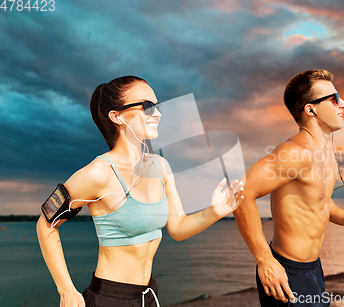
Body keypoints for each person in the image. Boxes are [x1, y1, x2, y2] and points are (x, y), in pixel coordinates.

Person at [36, 76, 244, 307]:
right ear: (116, 116)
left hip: (148, 295)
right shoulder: (98, 173)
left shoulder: (160, 166)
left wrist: (215, 212)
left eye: (158, 106)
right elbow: (46, 224)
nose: (157, 113)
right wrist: (65, 289)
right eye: (147, 107)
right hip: (109, 299)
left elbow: (177, 228)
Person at [233, 69, 344, 307]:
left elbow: (319, 200)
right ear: (311, 110)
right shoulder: (294, 153)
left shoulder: (327, 150)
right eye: (334, 98)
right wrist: (265, 261)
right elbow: (241, 193)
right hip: (287, 274)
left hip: (313, 270)